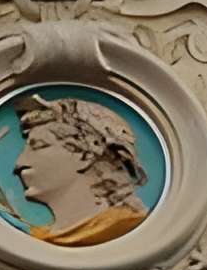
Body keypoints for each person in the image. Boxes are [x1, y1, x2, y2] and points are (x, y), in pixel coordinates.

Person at [8, 93, 152, 248]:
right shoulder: (38, 237)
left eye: (39, 146)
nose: (19, 164)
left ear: (85, 155)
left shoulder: (124, 225)